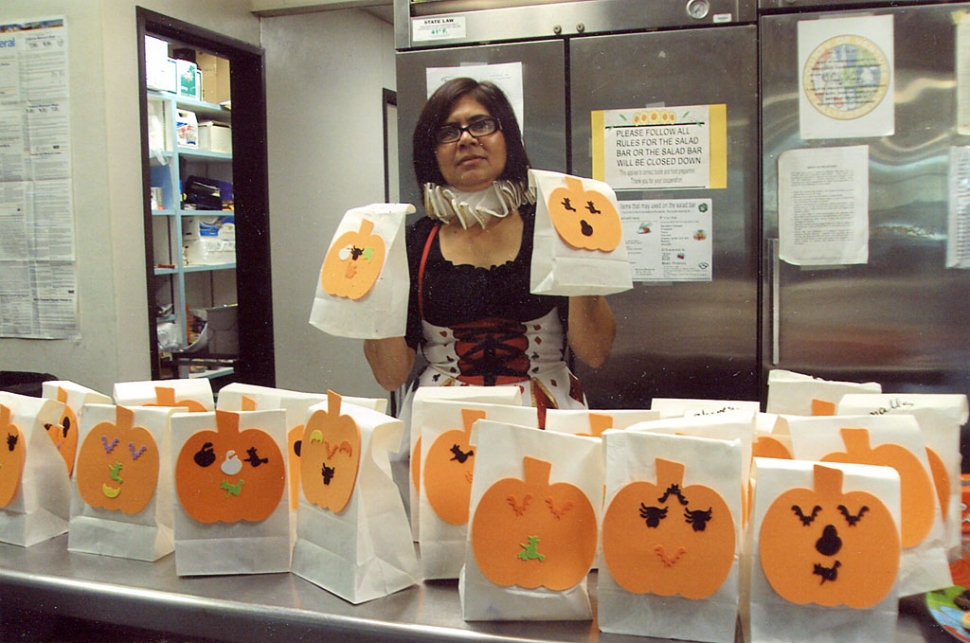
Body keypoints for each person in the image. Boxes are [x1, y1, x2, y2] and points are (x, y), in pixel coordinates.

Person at [363, 77, 616, 426]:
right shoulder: (409, 244)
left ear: (508, 138)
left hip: (544, 422)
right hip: (442, 428)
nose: (467, 139)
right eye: (448, 132)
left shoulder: (557, 227)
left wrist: (584, 259)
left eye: (481, 124)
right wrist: (372, 290)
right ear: (431, 152)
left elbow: (595, 352)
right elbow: (390, 375)